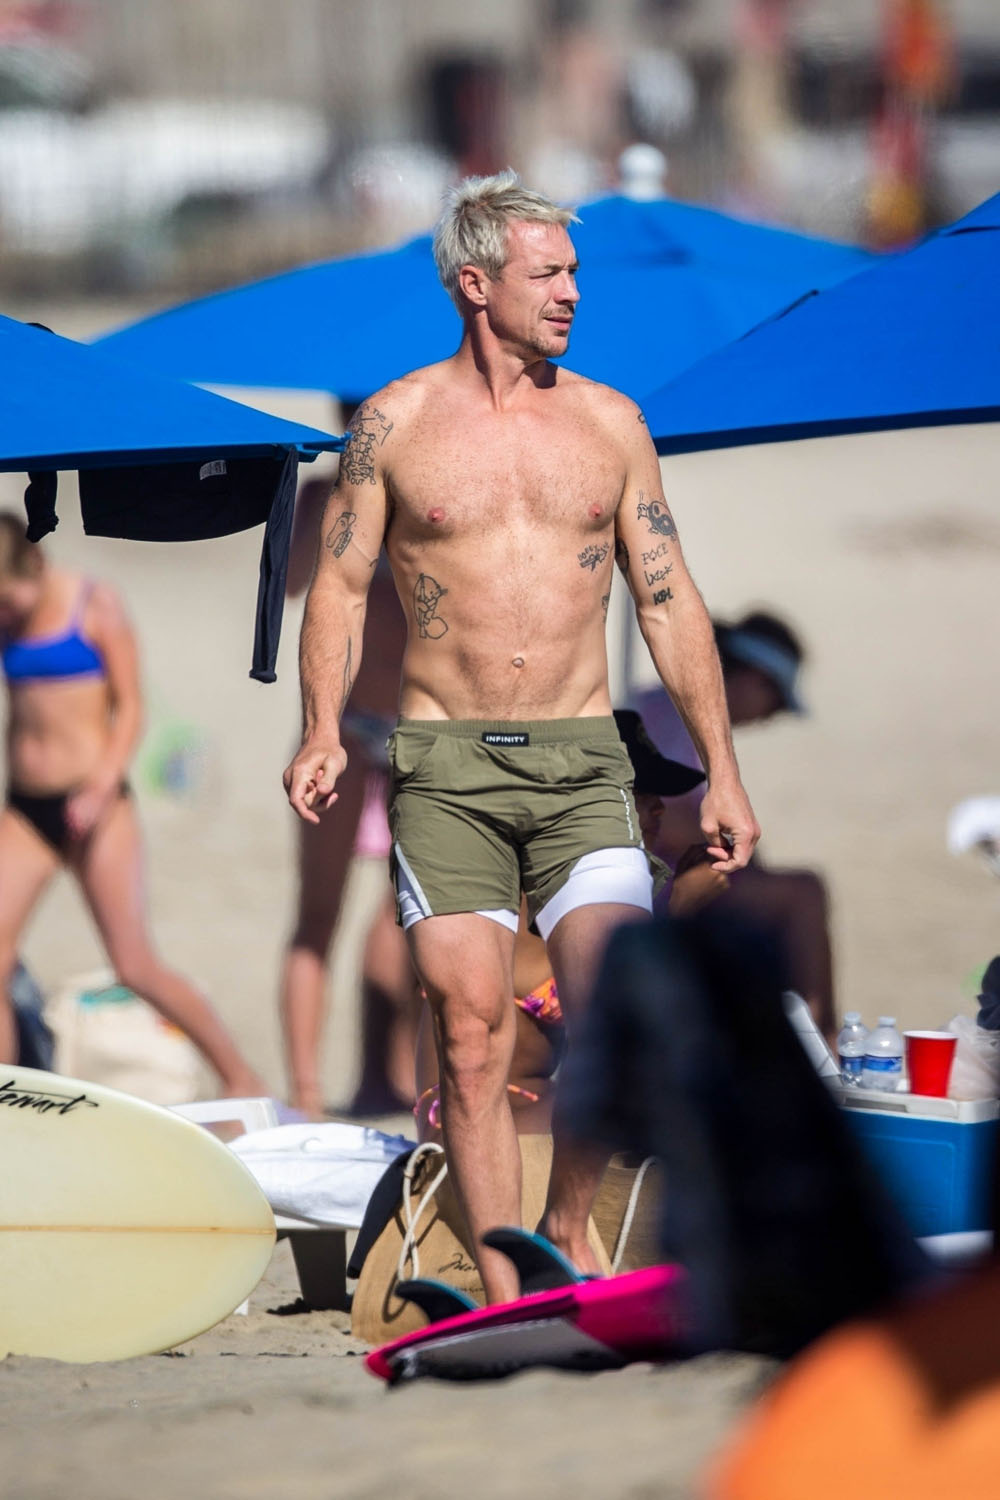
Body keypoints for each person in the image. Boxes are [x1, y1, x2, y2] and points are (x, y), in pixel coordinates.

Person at [284, 170, 759, 1303]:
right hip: (444, 766)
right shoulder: (392, 425)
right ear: (474, 283)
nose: (570, 293)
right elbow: (339, 587)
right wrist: (320, 731)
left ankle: (566, 1227)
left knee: (608, 1008)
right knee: (470, 1032)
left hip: (584, 761)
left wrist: (724, 772)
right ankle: (507, 1287)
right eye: (547, 274)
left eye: (574, 273)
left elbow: (666, 597)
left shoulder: (611, 423)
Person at [0, 514, 263, 1094]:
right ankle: (6, 1101)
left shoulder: (94, 605)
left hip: (99, 806)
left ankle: (242, 1079)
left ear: (34, 565)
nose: (5, 615)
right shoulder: (5, 618)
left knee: (135, 965)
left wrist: (99, 786)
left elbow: (132, 708)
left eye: (8, 602)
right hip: (25, 809)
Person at [413, 708, 724, 1139]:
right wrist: (682, 911)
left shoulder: (585, 885)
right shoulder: (530, 889)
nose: (659, 806)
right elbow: (625, 1028)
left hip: (526, 1108)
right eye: (637, 791)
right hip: (463, 1121)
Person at [278, 474, 417, 1118]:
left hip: (419, 723)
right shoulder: (323, 494)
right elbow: (290, 586)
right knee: (318, 912)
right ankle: (306, 1095)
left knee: (410, 907)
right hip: (345, 725)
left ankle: (391, 1077)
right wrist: (331, 508)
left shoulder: (427, 478)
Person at [632, 610, 836, 1038]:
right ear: (755, 678)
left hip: (661, 881)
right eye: (776, 700)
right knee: (802, 895)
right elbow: (667, 820)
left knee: (780, 895)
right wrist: (742, 855)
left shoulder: (669, 710)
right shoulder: (674, 715)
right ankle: (824, 1041)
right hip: (653, 890)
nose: (771, 716)